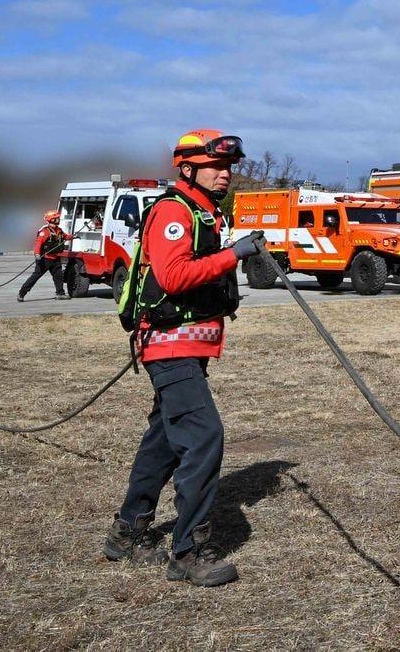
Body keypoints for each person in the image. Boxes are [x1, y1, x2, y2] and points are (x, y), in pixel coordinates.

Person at [105, 129, 267, 587]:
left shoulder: (204, 213)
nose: (226, 175)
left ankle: (126, 532)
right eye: (216, 166)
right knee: (203, 437)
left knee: (163, 440)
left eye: (229, 167)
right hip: (169, 345)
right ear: (188, 168)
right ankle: (188, 550)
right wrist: (231, 256)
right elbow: (173, 276)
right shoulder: (175, 211)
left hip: (186, 346)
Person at [17, 210, 69, 301]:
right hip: (44, 259)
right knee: (35, 276)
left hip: (55, 258)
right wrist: (37, 254)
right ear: (52, 219)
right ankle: (21, 293)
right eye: (57, 218)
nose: (58, 219)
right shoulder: (45, 232)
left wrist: (73, 236)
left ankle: (60, 294)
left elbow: (65, 236)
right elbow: (38, 244)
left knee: (59, 276)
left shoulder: (59, 230)